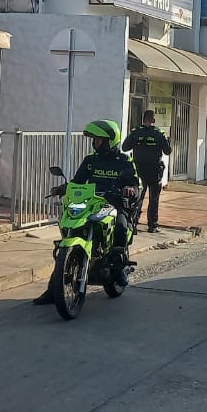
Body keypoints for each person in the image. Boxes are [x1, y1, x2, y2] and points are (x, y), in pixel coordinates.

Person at [32, 119, 140, 305]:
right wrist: (63, 188)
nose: (96, 143)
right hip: (91, 202)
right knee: (70, 226)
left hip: (113, 203)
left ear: (110, 140)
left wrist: (129, 188)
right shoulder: (90, 161)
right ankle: (53, 291)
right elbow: (78, 182)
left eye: (100, 140)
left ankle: (118, 266)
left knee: (121, 225)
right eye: (95, 139)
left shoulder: (123, 161)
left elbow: (133, 182)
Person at [122, 109, 172, 233]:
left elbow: (124, 147)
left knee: (138, 198)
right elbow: (167, 151)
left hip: (139, 170)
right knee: (154, 199)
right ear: (154, 120)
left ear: (142, 119)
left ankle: (133, 225)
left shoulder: (135, 132)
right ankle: (152, 226)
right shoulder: (160, 133)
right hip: (155, 171)